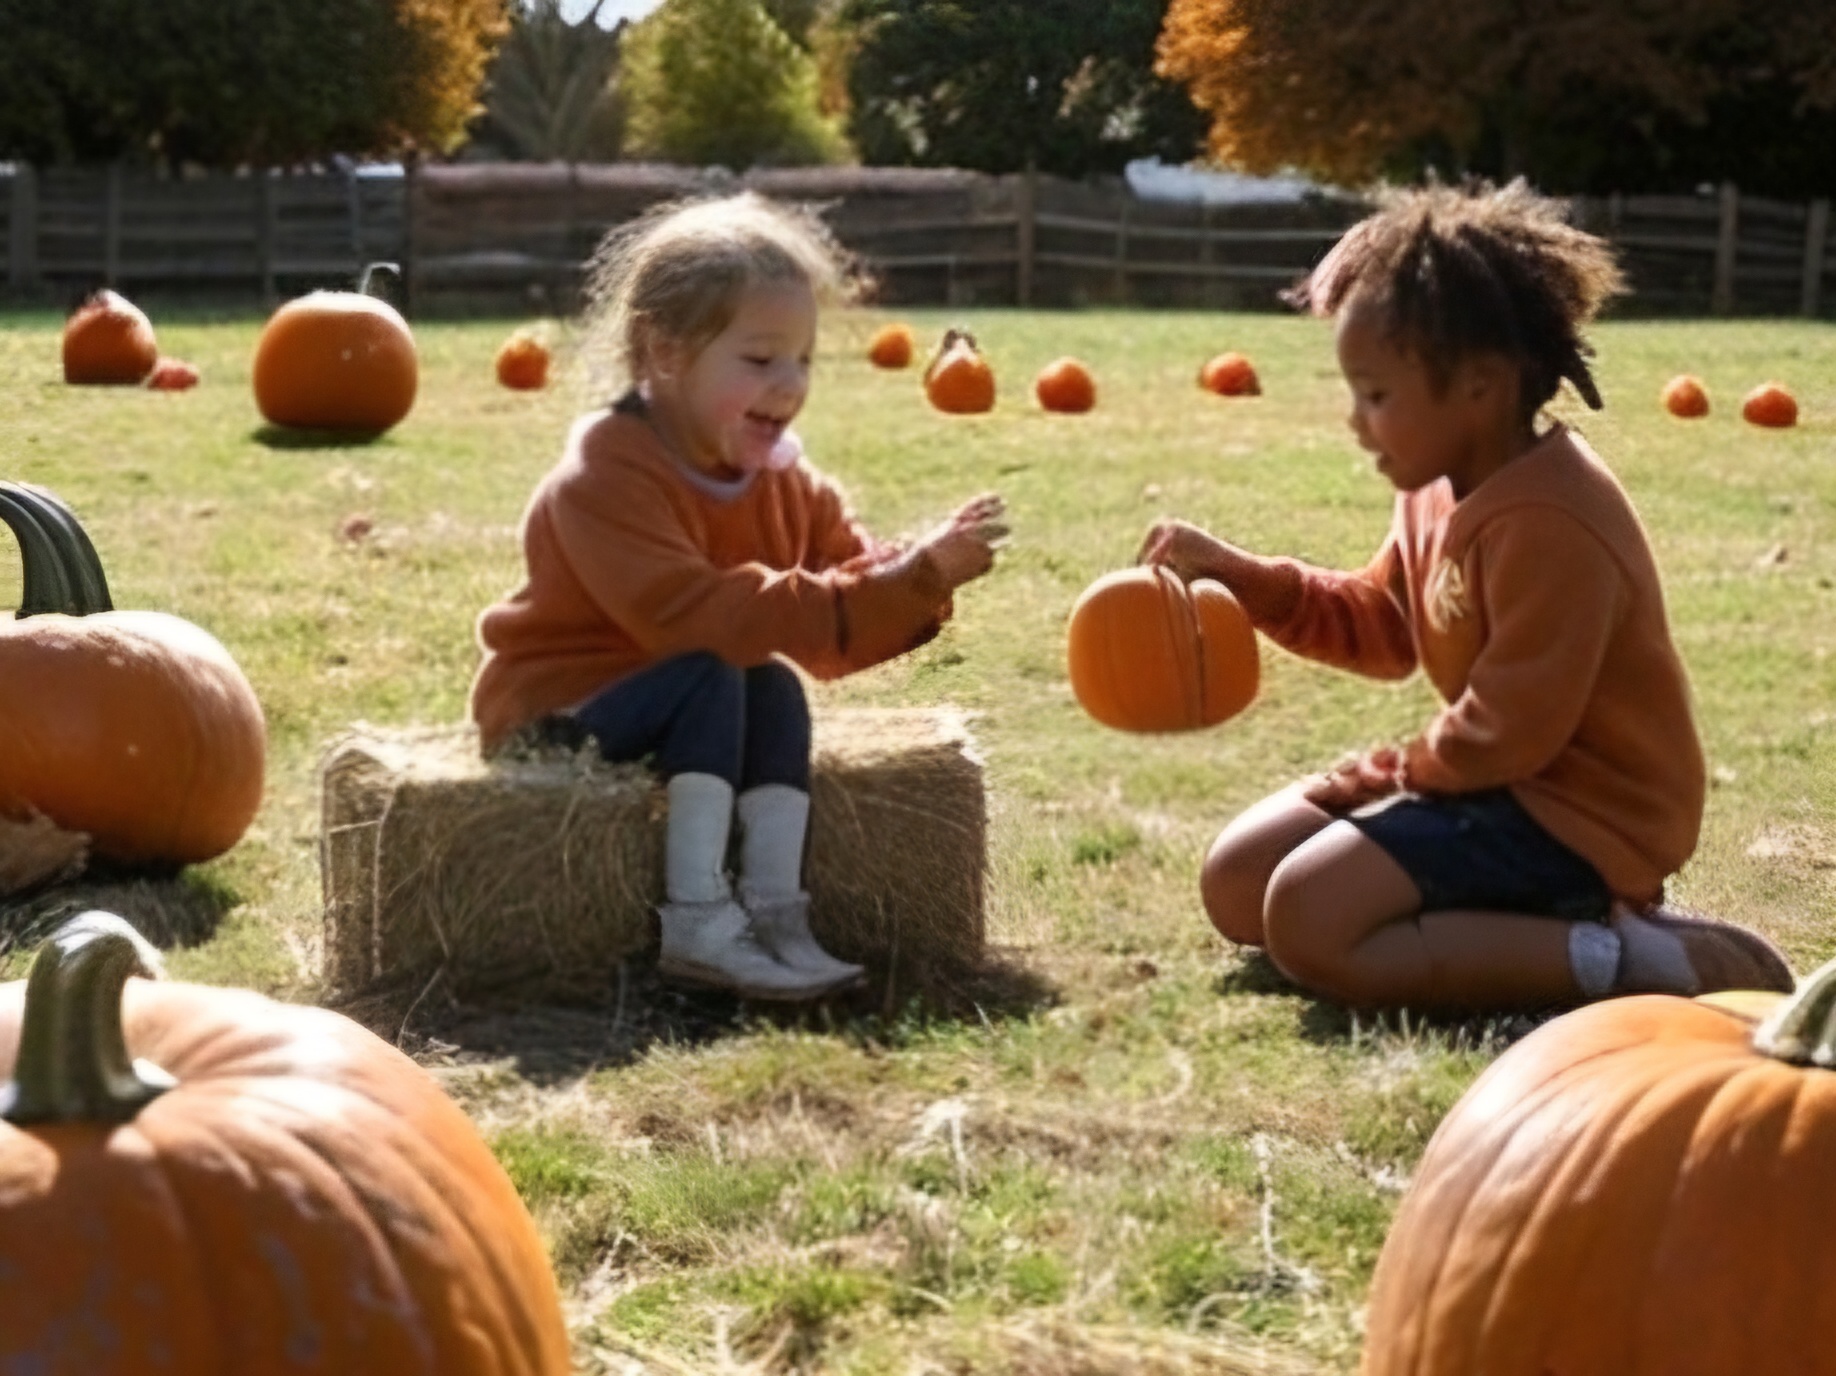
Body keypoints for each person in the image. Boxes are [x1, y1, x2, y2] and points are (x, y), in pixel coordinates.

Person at [1139, 181, 1793, 1011]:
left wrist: (1384, 776)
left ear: (1480, 386)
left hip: (1580, 821)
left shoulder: (1552, 519)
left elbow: (1507, 730)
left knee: (1307, 918)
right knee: (1240, 882)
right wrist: (1242, 576)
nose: (1354, 421)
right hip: (1498, 790)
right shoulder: (1439, 486)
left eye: (1375, 395)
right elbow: (1381, 626)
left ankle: (1630, 956)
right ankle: (1494, 922)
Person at [469, 193, 1006, 1001]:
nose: (788, 384)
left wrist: (910, 568)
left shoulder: (783, 480)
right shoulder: (605, 475)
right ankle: (698, 923)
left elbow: (844, 578)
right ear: (664, 354)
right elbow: (698, 613)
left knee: (771, 680)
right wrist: (898, 582)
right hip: (568, 710)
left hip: (688, 699)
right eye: (760, 361)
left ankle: (774, 908)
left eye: (804, 360)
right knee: (718, 667)